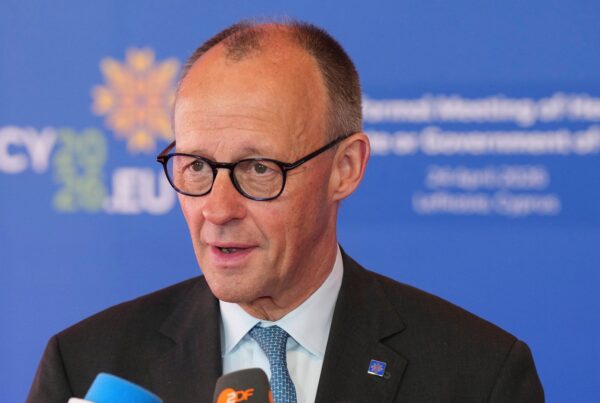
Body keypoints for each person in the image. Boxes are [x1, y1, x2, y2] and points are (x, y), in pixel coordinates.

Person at [28, 20, 544, 403]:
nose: (217, 209)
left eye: (258, 169)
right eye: (197, 166)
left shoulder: (480, 375)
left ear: (345, 168)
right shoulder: (85, 365)